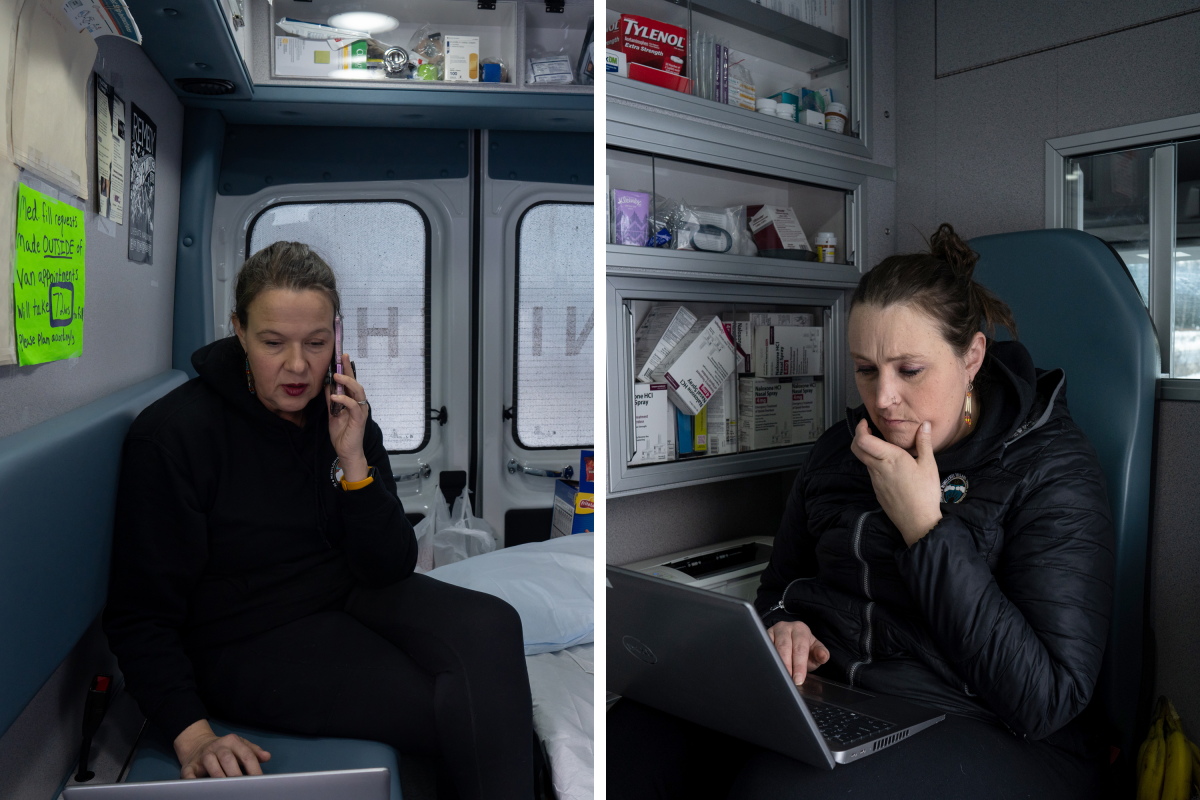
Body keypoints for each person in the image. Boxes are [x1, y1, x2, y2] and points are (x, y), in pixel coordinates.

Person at [609, 224, 1115, 799]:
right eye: (867, 369)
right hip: (839, 695)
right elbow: (778, 588)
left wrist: (926, 529)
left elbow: (1045, 698)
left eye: (910, 370)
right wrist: (783, 626)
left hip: (985, 723)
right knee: (632, 737)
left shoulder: (1050, 466)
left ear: (972, 356)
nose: (882, 398)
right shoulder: (839, 449)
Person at [104, 241, 533, 799]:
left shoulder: (341, 411)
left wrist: (353, 461)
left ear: (337, 334)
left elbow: (392, 563)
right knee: (457, 707)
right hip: (244, 635)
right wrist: (193, 735)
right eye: (273, 343)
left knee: (495, 626)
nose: (299, 366)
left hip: (347, 593)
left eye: (317, 341)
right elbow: (139, 617)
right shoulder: (174, 438)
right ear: (238, 329)